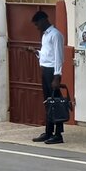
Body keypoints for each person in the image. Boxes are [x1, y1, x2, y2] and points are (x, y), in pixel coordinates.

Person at [31, 10, 66, 144]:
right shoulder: (45, 35)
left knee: (56, 103)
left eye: (37, 24)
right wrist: (37, 53)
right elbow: (48, 54)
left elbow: (58, 57)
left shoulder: (55, 35)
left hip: (53, 72)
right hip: (45, 69)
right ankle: (48, 131)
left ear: (43, 20)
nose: (37, 27)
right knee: (48, 102)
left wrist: (57, 76)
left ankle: (58, 134)